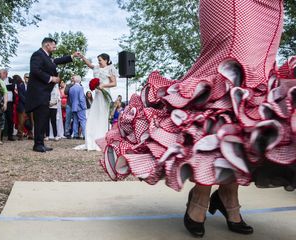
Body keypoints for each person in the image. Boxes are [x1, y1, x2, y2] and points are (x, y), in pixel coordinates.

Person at [98, 0, 296, 238]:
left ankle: (227, 193)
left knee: (256, 90)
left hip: (271, 7)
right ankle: (203, 190)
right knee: (230, 75)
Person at [25, 37, 81, 152]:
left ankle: (40, 143)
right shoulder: (37, 55)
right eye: (53, 46)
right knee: (40, 117)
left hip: (44, 92)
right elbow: (35, 70)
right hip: (38, 92)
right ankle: (37, 144)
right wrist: (51, 78)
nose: (55, 48)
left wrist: (72, 56)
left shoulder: (47, 57)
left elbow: (57, 61)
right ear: (47, 45)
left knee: (43, 117)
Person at [77, 53, 118, 151]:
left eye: (100, 60)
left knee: (102, 117)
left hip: (104, 96)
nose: (98, 62)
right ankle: (91, 139)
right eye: (98, 60)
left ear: (106, 60)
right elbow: (89, 65)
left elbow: (114, 83)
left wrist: (103, 86)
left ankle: (101, 139)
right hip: (97, 96)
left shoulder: (110, 69)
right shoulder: (96, 67)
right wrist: (82, 57)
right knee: (93, 116)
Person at [0, 68, 16, 141]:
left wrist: (4, 88)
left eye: (0, 73)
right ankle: (0, 136)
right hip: (0, 103)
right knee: (0, 119)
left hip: (9, 103)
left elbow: (13, 88)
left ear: (5, 74)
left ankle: (10, 135)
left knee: (10, 119)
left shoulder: (11, 80)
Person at [69, 75, 87, 139]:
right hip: (80, 107)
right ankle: (85, 135)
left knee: (75, 121)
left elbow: (70, 99)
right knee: (83, 120)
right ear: (79, 81)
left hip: (74, 106)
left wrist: (72, 105)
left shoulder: (71, 88)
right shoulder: (80, 88)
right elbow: (81, 98)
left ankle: (75, 135)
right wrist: (84, 106)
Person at [14, 74, 26, 140]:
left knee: (25, 120)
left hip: (25, 104)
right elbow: (20, 95)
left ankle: (27, 133)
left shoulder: (21, 84)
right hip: (21, 105)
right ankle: (20, 134)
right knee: (21, 120)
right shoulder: (19, 85)